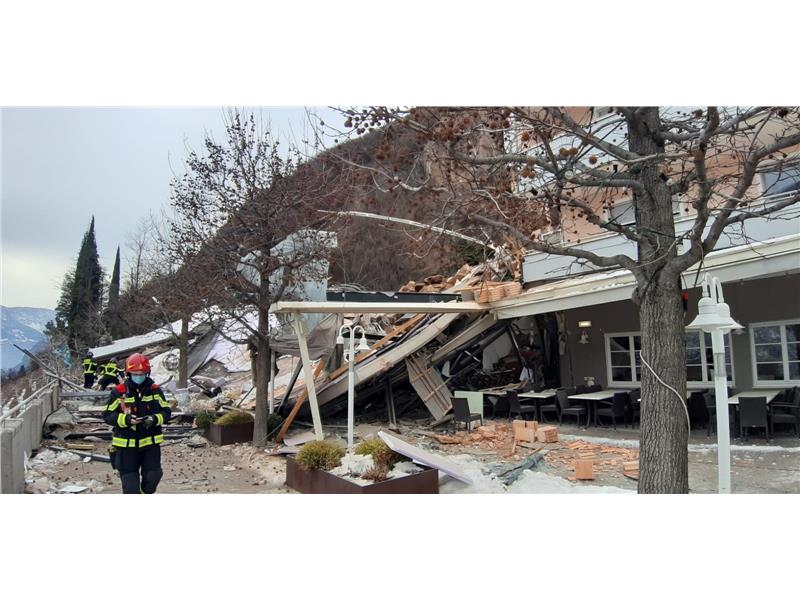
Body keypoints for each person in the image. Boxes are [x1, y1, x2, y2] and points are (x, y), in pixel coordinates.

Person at [102, 353, 171, 494]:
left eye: (142, 374)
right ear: (128, 374)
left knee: (153, 477)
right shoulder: (119, 391)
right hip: (126, 447)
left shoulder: (155, 390)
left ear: (147, 373)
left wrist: (154, 419)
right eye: (135, 374)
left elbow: (166, 412)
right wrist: (127, 420)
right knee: (131, 488)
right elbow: (107, 415)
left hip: (150, 445)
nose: (139, 376)